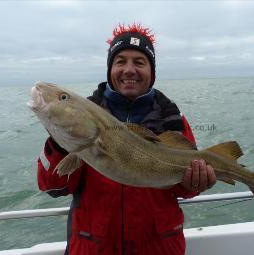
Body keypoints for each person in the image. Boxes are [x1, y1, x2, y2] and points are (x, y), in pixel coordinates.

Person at [37, 23, 217, 255]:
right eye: (120, 61)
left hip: (159, 247)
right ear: (110, 69)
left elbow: (184, 189)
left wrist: (196, 182)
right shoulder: (84, 117)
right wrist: (60, 142)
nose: (129, 70)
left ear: (152, 72)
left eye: (139, 62)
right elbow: (54, 187)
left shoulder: (173, 119)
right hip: (94, 247)